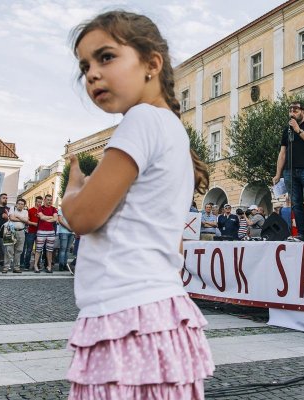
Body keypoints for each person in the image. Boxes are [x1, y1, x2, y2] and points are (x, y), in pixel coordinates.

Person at [61, 11, 214, 398]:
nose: (92, 73)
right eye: (85, 66)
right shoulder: (171, 129)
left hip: (126, 311)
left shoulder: (141, 120)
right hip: (157, 310)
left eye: (106, 56)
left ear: (151, 63)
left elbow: (81, 217)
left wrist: (73, 187)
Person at [272, 101, 304, 241]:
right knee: (296, 204)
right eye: (290, 110)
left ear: (303, 112)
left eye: (295, 110)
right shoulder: (286, 130)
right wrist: (277, 173)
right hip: (289, 171)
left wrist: (298, 130)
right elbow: (282, 153)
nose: (292, 112)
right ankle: (302, 233)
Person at [33, 194, 57, 273]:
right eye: (48, 200)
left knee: (49, 250)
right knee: (38, 249)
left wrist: (46, 218)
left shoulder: (54, 209)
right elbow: (42, 217)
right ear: (45, 200)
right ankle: (35, 265)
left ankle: (49, 266)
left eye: (50, 200)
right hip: (41, 231)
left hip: (51, 231)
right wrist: (50, 217)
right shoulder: (41, 208)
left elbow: (56, 219)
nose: (49, 201)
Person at [6, 199, 29, 274]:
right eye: (19, 203)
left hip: (21, 231)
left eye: (22, 204)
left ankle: (16, 267)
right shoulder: (12, 209)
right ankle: (6, 267)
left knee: (19, 250)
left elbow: (26, 221)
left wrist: (18, 216)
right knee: (9, 249)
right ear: (16, 204)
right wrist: (22, 219)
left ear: (24, 205)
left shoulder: (25, 211)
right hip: (11, 231)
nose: (20, 205)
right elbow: (12, 218)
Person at [21, 196, 43, 270]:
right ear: (35, 202)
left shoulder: (42, 210)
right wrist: (34, 223)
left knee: (39, 249)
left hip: (40, 232)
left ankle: (37, 265)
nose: (39, 203)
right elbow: (27, 221)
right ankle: (26, 265)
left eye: (41, 202)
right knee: (29, 249)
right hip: (31, 232)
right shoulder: (30, 210)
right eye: (38, 202)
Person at [57, 207, 74, 271]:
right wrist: (68, 228)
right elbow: (60, 220)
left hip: (72, 232)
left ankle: (65, 264)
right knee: (63, 249)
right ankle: (61, 265)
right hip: (64, 231)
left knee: (67, 250)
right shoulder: (62, 209)